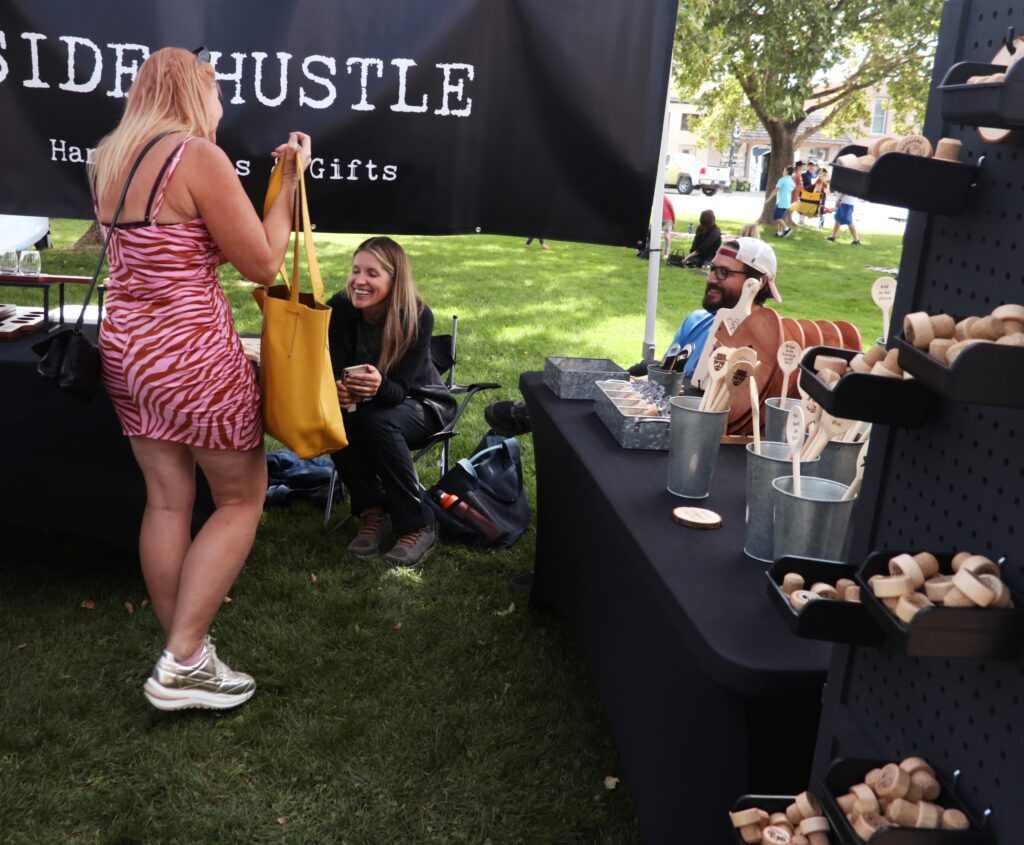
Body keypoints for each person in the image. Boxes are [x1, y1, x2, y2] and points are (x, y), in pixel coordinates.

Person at [92, 47, 311, 711]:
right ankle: (184, 659)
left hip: (127, 349)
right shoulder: (197, 157)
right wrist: (292, 179)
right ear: (195, 91)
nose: (221, 106)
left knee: (165, 500)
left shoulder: (108, 158)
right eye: (216, 92)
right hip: (191, 354)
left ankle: (185, 652)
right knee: (242, 496)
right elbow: (265, 264)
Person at [485, 237, 783, 433]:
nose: (710, 279)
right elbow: (665, 375)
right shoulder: (697, 321)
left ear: (755, 285)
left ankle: (531, 419)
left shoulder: (763, 345)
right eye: (711, 269)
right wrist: (649, 373)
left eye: (723, 273)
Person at [326, 237, 456, 568]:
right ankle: (374, 511)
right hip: (370, 406)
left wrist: (379, 385)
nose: (359, 281)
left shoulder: (417, 315)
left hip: (423, 404)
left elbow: (398, 391)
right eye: (356, 270)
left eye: (372, 273)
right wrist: (337, 389)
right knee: (334, 417)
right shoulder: (338, 309)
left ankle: (417, 524)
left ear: (394, 279)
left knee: (376, 421)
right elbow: (333, 370)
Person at [770, 166, 796, 237]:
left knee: (776, 217)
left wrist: (769, 198)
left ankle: (787, 229)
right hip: (787, 201)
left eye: (784, 170)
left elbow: (776, 190)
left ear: (787, 172)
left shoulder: (782, 180)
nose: (783, 172)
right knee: (780, 217)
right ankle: (779, 233)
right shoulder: (791, 180)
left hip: (781, 201)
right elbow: (793, 187)